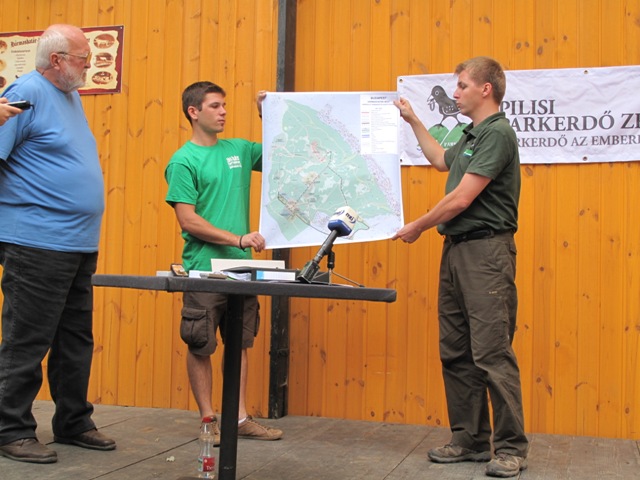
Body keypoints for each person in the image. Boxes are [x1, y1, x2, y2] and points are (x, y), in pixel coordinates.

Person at [393, 56, 528, 478]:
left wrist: (417, 225)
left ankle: (511, 448)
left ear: (486, 89)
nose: (455, 93)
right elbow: (440, 160)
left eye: (462, 86)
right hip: (456, 250)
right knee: (456, 350)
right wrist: (414, 120)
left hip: (486, 253)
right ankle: (469, 440)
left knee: (491, 352)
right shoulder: (472, 135)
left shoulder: (497, 133)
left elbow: (461, 198)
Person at [0, 24, 115, 464]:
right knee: (27, 339)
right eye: (84, 58)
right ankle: (10, 429)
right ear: (57, 60)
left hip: (77, 242)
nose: (89, 65)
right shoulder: (25, 92)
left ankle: (73, 421)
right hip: (37, 241)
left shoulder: (69, 96)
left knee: (74, 338)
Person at [165, 81, 283, 444]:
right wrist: (238, 239)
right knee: (200, 344)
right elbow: (188, 220)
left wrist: (267, 111)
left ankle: (239, 418)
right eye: (215, 106)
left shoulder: (240, 150)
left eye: (225, 105)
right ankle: (208, 420)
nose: (224, 112)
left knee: (239, 344)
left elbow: (284, 152)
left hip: (242, 271)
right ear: (193, 112)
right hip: (203, 269)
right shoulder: (183, 160)